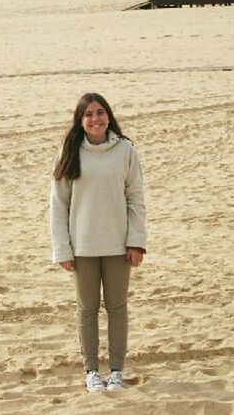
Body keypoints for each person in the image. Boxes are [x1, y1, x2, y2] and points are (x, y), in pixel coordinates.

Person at [50, 92, 147, 393]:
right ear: (81, 121)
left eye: (100, 112)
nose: (96, 119)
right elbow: (58, 205)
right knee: (87, 309)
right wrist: (63, 249)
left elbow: (136, 199)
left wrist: (136, 242)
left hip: (119, 246)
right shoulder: (70, 152)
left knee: (117, 308)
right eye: (89, 114)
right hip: (82, 248)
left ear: (108, 116)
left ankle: (116, 371)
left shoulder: (126, 150)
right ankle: (92, 371)